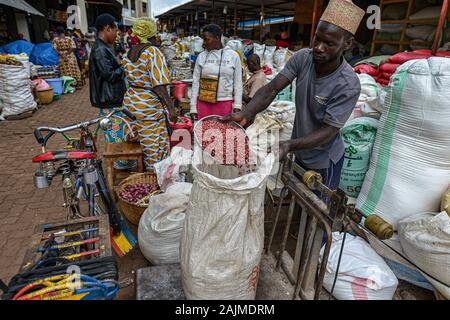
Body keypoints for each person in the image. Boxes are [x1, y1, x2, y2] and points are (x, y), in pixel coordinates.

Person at [223, 0, 364, 197]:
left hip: (324, 160)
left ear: (347, 44)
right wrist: (247, 112)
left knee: (318, 211)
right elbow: (272, 88)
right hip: (301, 151)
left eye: (329, 44)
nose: (319, 48)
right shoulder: (303, 58)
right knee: (298, 200)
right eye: (317, 39)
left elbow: (329, 130)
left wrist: (289, 144)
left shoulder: (347, 84)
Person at [121, 17, 177, 170]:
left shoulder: (129, 52)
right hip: (148, 106)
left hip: (131, 103)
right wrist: (171, 108)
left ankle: (137, 172)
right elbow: (159, 86)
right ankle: (154, 178)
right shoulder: (152, 52)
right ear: (150, 32)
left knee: (137, 141)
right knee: (153, 146)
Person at [89, 14, 132, 170]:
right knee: (115, 136)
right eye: (115, 31)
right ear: (107, 29)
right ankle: (120, 166)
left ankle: (120, 162)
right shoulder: (100, 49)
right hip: (110, 101)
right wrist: (124, 67)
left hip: (112, 100)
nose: (117, 34)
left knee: (117, 134)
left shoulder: (103, 47)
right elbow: (110, 75)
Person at [190, 24, 243, 121]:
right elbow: (196, 82)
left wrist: (237, 105)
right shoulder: (201, 56)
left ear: (217, 38)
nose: (203, 43)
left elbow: (238, 83)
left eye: (206, 39)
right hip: (204, 103)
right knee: (204, 134)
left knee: (223, 134)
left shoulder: (233, 56)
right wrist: (193, 107)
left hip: (225, 103)